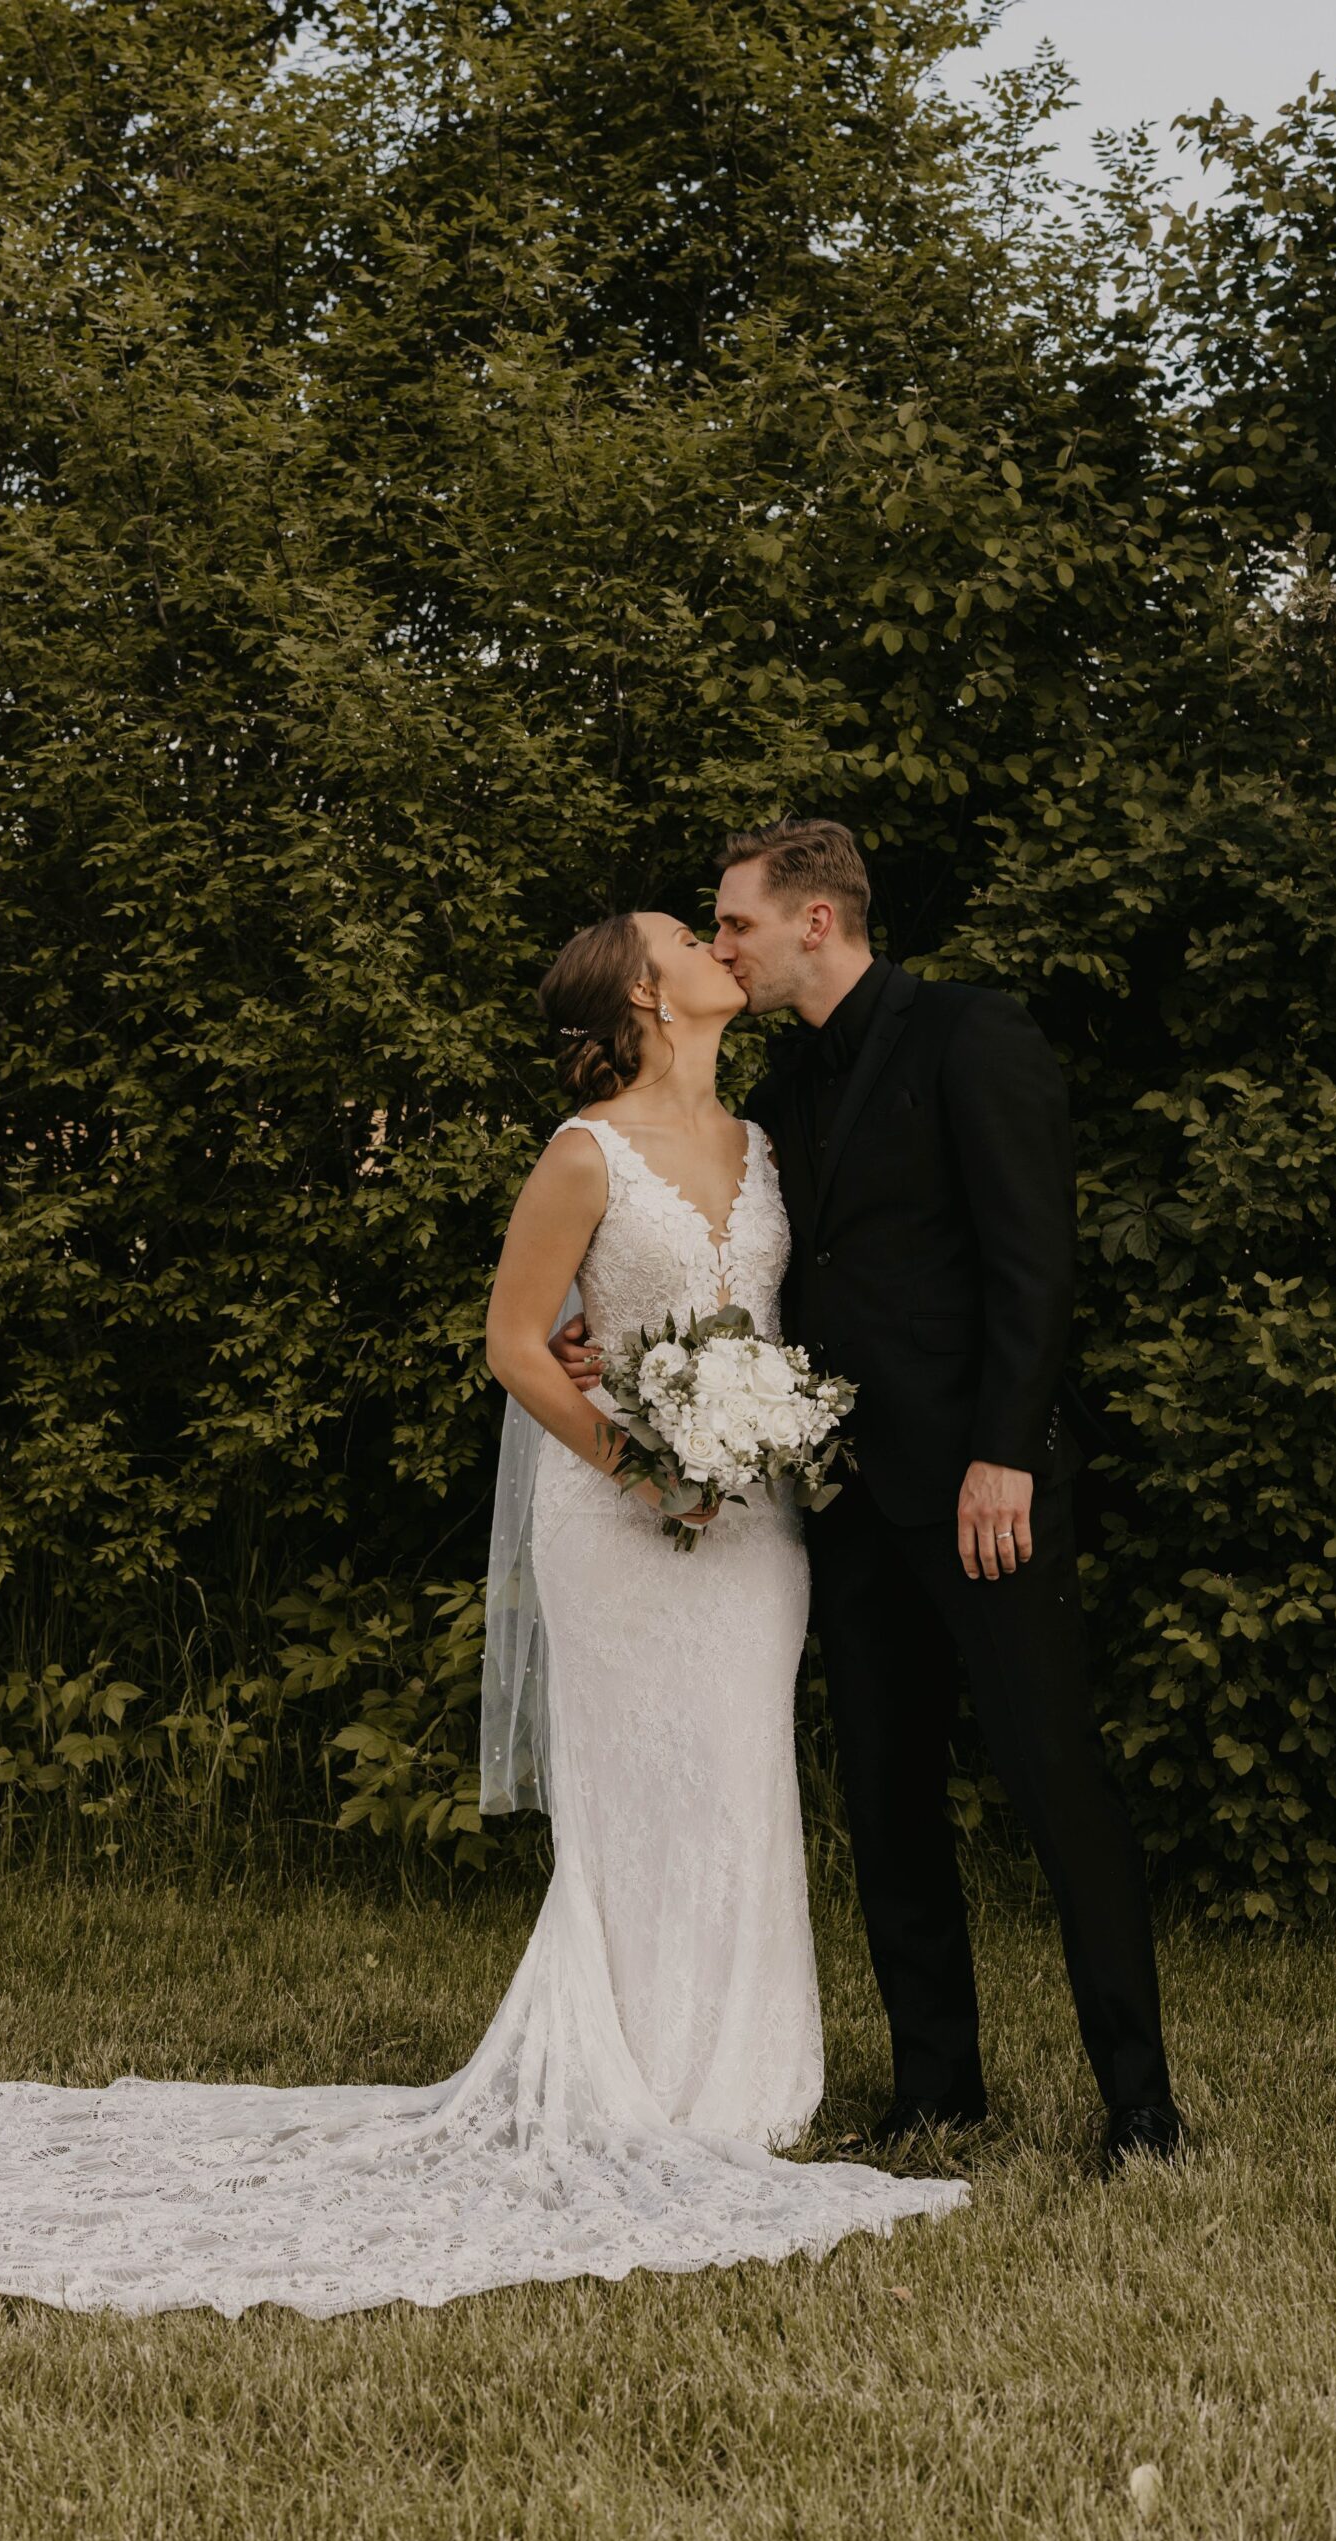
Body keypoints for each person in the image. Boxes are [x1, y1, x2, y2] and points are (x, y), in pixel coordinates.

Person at [0, 904, 966, 2322]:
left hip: (755, 1525)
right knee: (637, 1787)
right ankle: (631, 2075)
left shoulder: (763, 1145)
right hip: (616, 1522)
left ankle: (754, 2075)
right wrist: (640, 1462)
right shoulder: (583, 1154)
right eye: (690, 935)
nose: (714, 946)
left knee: (741, 1775)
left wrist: (750, 1434)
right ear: (646, 988)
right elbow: (517, 1341)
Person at [553, 821, 1182, 2172]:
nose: (724, 947)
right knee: (890, 1800)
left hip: (984, 1490)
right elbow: (740, 1283)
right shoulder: (776, 1099)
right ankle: (939, 2085)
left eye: (736, 926)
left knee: (1054, 1780)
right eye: (712, 934)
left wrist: (1004, 1449)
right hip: (837, 1496)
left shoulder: (971, 1036)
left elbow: (1035, 1261)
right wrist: (621, 1351)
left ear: (815, 923)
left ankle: (1141, 2106)